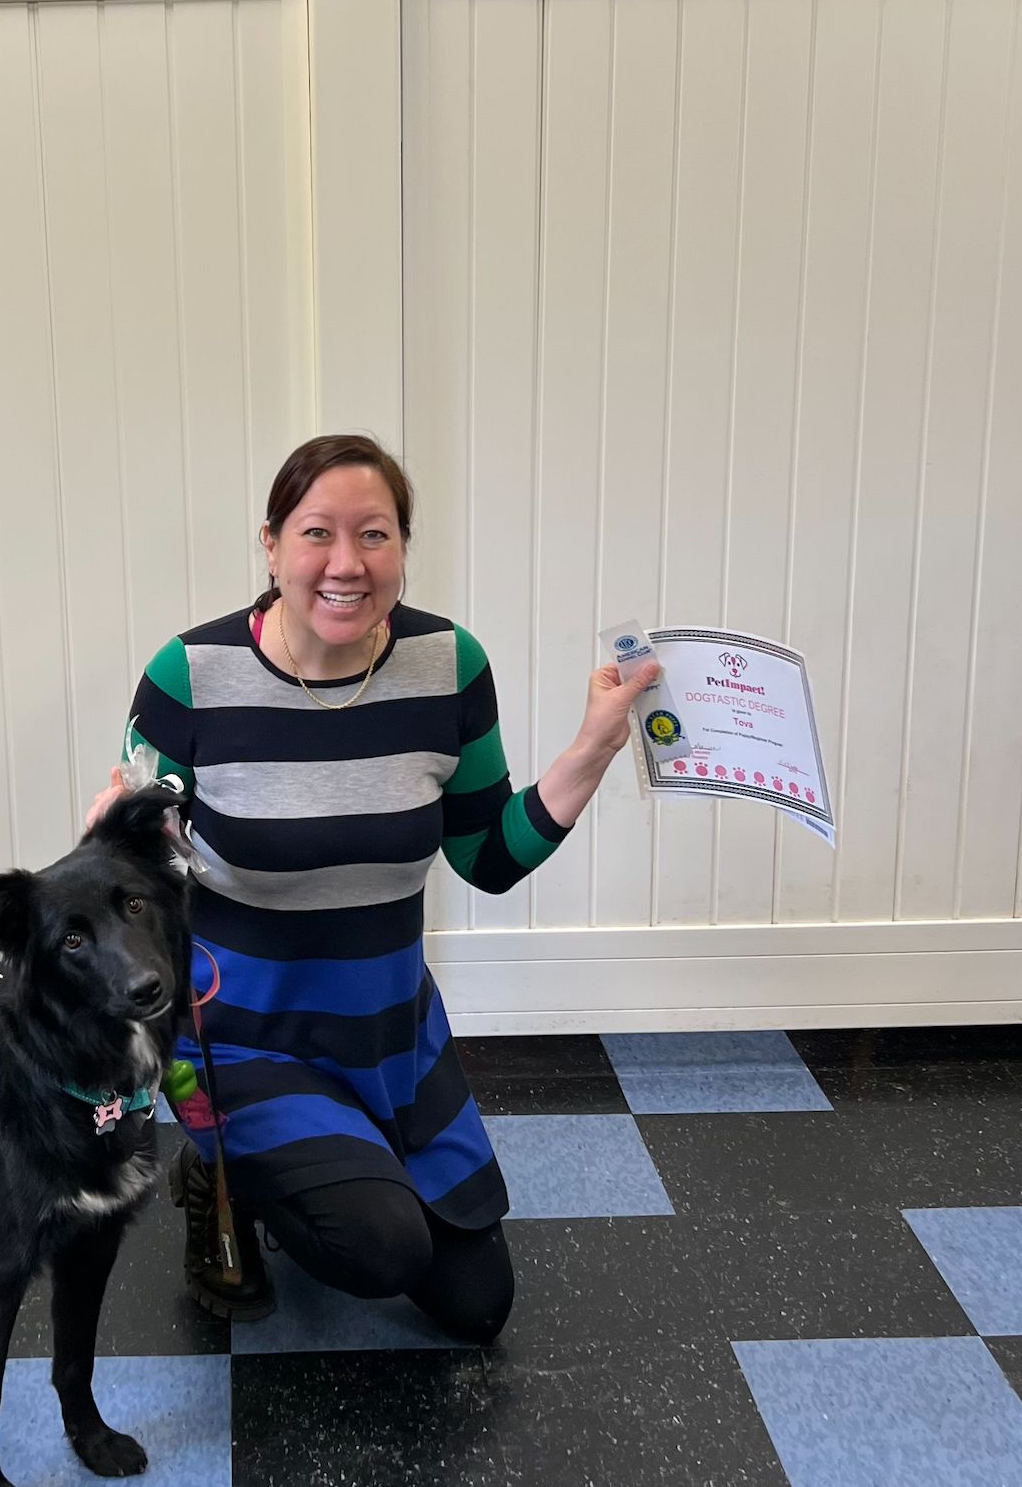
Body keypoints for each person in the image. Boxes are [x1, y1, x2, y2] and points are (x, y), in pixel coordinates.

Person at [85, 435, 656, 1340]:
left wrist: (591, 750)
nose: (346, 563)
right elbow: (128, 873)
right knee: (383, 1249)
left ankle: (322, 1162)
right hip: (246, 1037)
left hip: (392, 1037)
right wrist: (109, 852)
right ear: (271, 546)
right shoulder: (189, 677)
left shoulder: (449, 665)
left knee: (477, 1306)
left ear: (402, 548)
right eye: (317, 533)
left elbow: (487, 857)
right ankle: (223, 1167)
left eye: (375, 535)